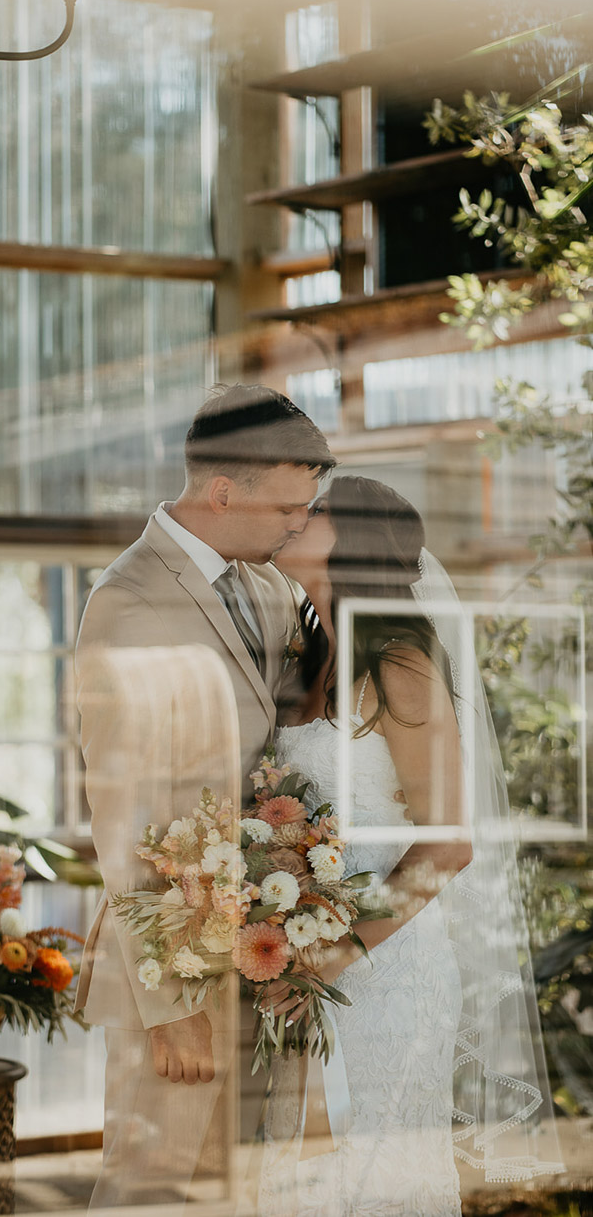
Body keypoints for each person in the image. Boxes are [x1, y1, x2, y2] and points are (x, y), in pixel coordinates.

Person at [260, 474, 562, 1217]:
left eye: (318, 508)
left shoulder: (400, 663)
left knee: (374, 1175)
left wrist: (330, 952)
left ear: (358, 537)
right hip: (306, 957)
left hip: (385, 968)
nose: (298, 516)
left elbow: (448, 843)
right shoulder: (307, 657)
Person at [74, 384, 335, 1208]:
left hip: (264, 949)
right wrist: (169, 1003)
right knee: (153, 1189)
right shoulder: (127, 601)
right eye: (290, 506)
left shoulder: (265, 587)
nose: (300, 523)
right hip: (175, 962)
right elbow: (121, 813)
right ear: (225, 491)